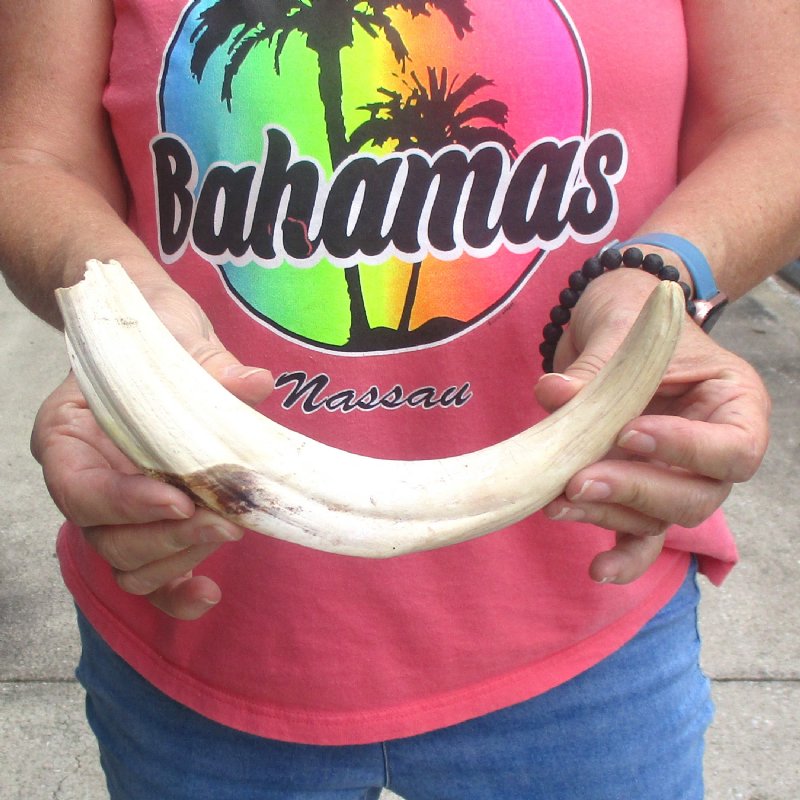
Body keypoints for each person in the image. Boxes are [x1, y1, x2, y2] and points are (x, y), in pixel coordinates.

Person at [1, 1, 797, 797]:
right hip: (201, 625)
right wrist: (120, 325)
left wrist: (663, 275)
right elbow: (32, 156)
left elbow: (773, 125)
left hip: (585, 622)